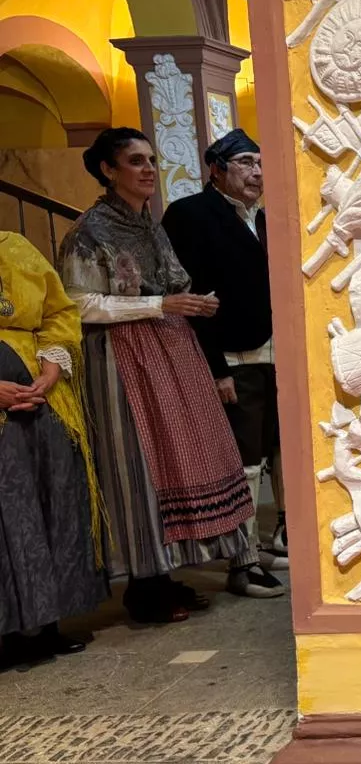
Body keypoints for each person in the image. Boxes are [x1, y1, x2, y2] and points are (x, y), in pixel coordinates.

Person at [58, 128, 258, 624]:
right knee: (137, 463)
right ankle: (143, 585)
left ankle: (167, 573)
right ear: (108, 170)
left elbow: (173, 279)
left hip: (169, 349)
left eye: (151, 159)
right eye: (134, 161)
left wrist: (190, 300)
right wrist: (159, 303)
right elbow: (78, 302)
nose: (148, 169)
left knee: (175, 459)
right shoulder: (90, 231)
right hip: (121, 357)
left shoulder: (149, 225)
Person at [161, 128, 286, 598]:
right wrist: (216, 368)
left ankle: (265, 541)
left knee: (277, 452)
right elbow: (193, 294)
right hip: (234, 355)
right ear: (216, 168)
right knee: (245, 460)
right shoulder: (191, 215)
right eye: (246, 163)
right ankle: (243, 561)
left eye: (259, 163)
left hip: (275, 353)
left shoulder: (264, 218)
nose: (257, 173)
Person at [0, 231, 102, 667]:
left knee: (51, 502)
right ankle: (8, 632)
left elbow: (59, 312)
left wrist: (50, 367)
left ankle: (47, 623)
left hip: (43, 399)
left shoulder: (13, 246)